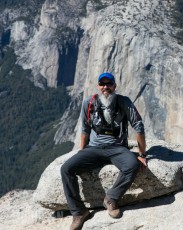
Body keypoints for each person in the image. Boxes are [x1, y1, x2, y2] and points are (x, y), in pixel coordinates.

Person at [61, 72, 147, 230]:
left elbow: (139, 127)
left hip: (118, 149)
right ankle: (79, 212)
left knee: (132, 165)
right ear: (98, 86)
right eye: (102, 84)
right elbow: (85, 129)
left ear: (115, 86)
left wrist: (142, 155)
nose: (105, 87)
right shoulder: (89, 102)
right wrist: (82, 152)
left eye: (109, 84)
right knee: (66, 169)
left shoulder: (123, 102)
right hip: (94, 149)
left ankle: (111, 198)